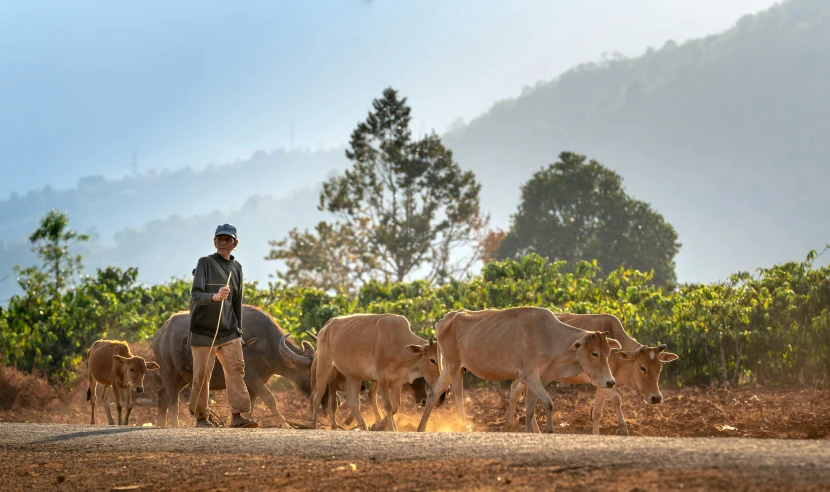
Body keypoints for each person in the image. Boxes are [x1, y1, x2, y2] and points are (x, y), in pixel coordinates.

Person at [188, 223, 258, 428]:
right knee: (202, 375)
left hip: (229, 332)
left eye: (228, 240)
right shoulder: (205, 263)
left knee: (236, 370)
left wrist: (239, 330)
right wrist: (215, 297)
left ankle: (237, 416)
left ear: (235, 243)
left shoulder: (237, 268)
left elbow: (237, 302)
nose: (223, 243)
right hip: (203, 331)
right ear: (214, 241)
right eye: (220, 239)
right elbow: (195, 295)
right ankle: (201, 418)